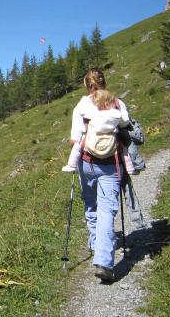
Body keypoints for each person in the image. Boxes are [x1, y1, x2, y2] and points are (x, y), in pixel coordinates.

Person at [69, 69, 130, 281]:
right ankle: (103, 261)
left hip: (87, 163)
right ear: (105, 82)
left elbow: (74, 138)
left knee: (90, 203)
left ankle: (96, 243)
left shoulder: (82, 105)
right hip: (110, 164)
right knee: (107, 209)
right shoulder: (117, 102)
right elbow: (125, 124)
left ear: (87, 86)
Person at [62, 89, 135, 175]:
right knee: (123, 149)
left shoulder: (95, 113)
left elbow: (82, 113)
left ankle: (71, 165)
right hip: (111, 137)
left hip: (95, 136)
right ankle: (130, 168)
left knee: (78, 146)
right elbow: (125, 120)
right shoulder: (115, 113)